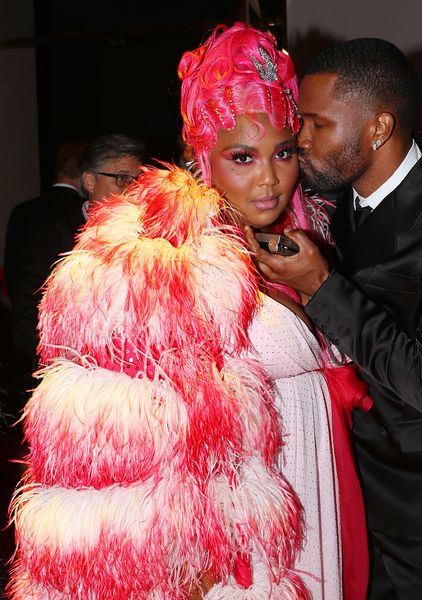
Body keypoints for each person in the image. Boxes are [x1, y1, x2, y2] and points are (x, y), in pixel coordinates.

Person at [8, 24, 368, 599]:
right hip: (232, 551)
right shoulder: (159, 263)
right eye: (243, 157)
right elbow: (132, 450)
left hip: (314, 494)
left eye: (284, 152)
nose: (270, 178)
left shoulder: (305, 243)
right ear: (203, 155)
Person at [247, 38, 422, 600]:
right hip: (357, 473)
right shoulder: (342, 199)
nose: (301, 140)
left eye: (318, 125)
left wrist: (321, 286)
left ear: (378, 128)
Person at [7, 134, 145, 367]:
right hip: (76, 381)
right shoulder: (52, 241)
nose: (132, 191)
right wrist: (93, 342)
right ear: (89, 181)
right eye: (122, 179)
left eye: (139, 181)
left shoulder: (151, 240)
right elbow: (25, 332)